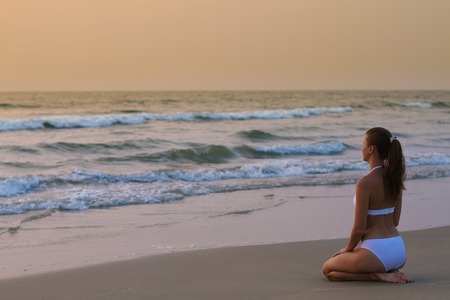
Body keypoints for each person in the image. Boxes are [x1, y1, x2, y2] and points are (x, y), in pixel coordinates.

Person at [322, 127, 413, 283]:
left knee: (328, 269)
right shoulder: (395, 178)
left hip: (377, 251)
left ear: (371, 149)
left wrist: (347, 249)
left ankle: (375, 275)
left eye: (363, 144)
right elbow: (395, 221)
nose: (361, 148)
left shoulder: (364, 183)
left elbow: (359, 229)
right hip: (398, 250)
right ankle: (389, 270)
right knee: (355, 257)